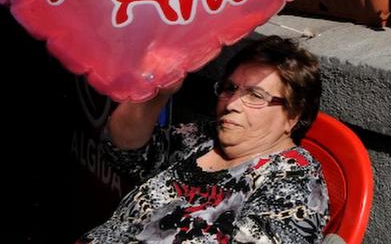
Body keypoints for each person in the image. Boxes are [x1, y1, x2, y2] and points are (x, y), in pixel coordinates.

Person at [80, 36, 329, 243]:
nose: (232, 103)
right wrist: (158, 92)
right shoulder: (202, 138)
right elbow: (123, 152)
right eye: (230, 89)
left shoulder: (293, 182)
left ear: (293, 116)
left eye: (255, 95)